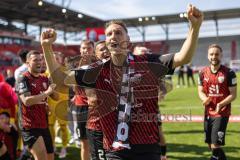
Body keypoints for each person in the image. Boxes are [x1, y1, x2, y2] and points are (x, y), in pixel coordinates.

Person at [41, 4, 203, 160]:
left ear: (128, 40)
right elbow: (60, 82)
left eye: (118, 33)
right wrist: (47, 48)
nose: (113, 36)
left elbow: (183, 57)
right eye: (109, 34)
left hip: (148, 146)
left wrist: (194, 28)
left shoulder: (148, 62)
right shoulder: (96, 70)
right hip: (115, 149)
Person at [15, 50, 57, 160]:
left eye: (40, 59)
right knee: (41, 157)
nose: (39, 62)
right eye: (35, 60)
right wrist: (47, 92)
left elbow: (56, 97)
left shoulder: (44, 78)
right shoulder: (23, 78)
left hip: (43, 124)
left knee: (50, 158)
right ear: (28, 63)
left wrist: (53, 84)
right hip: (29, 126)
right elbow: (27, 101)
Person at [198, 44, 237, 160]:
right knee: (210, 144)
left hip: (222, 112)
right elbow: (200, 91)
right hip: (208, 112)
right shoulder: (202, 73)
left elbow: (233, 94)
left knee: (215, 145)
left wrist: (221, 104)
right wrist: (204, 99)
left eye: (216, 54)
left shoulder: (229, 73)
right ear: (208, 56)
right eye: (211, 54)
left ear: (221, 55)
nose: (214, 56)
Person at [71, 40, 95, 160]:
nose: (86, 50)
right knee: (84, 143)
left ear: (93, 50)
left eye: (89, 48)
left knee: (98, 142)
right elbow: (74, 87)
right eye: (83, 48)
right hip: (80, 108)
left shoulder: (99, 65)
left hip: (96, 107)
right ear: (80, 50)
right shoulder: (75, 66)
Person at [47, 51, 69, 158]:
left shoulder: (66, 71)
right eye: (53, 58)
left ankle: (64, 148)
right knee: (50, 128)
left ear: (61, 59)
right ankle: (53, 146)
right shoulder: (46, 72)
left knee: (63, 127)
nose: (55, 60)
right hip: (50, 104)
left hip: (62, 104)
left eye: (57, 58)